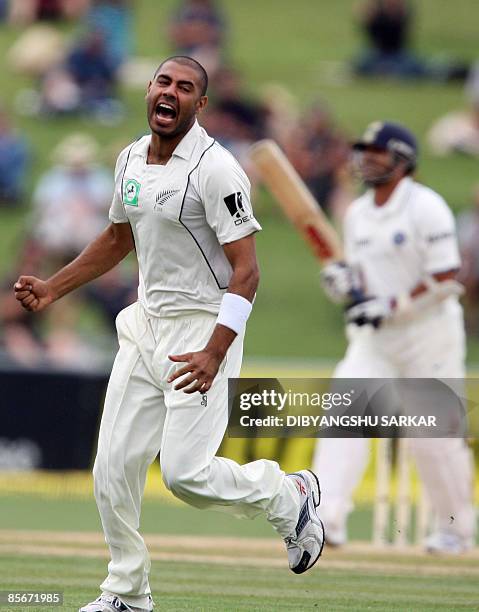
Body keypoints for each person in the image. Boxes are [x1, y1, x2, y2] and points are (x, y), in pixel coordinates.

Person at [14, 56, 325, 612]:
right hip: (144, 326)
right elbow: (116, 238)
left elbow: (247, 272)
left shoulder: (216, 168)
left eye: (185, 88)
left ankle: (288, 493)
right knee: (111, 467)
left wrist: (214, 351)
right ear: (149, 91)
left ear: (199, 105)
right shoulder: (131, 157)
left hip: (204, 329)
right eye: (163, 82)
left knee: (186, 476)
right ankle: (128, 593)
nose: (170, 93)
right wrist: (54, 288)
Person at [314, 121, 476, 553]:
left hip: (429, 338)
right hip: (376, 341)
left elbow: (446, 277)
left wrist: (391, 305)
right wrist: (344, 282)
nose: (367, 158)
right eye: (363, 149)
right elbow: (361, 278)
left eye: (377, 151)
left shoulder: (426, 207)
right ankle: (326, 519)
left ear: (402, 159)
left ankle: (455, 529)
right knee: (344, 415)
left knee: (435, 439)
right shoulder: (357, 214)